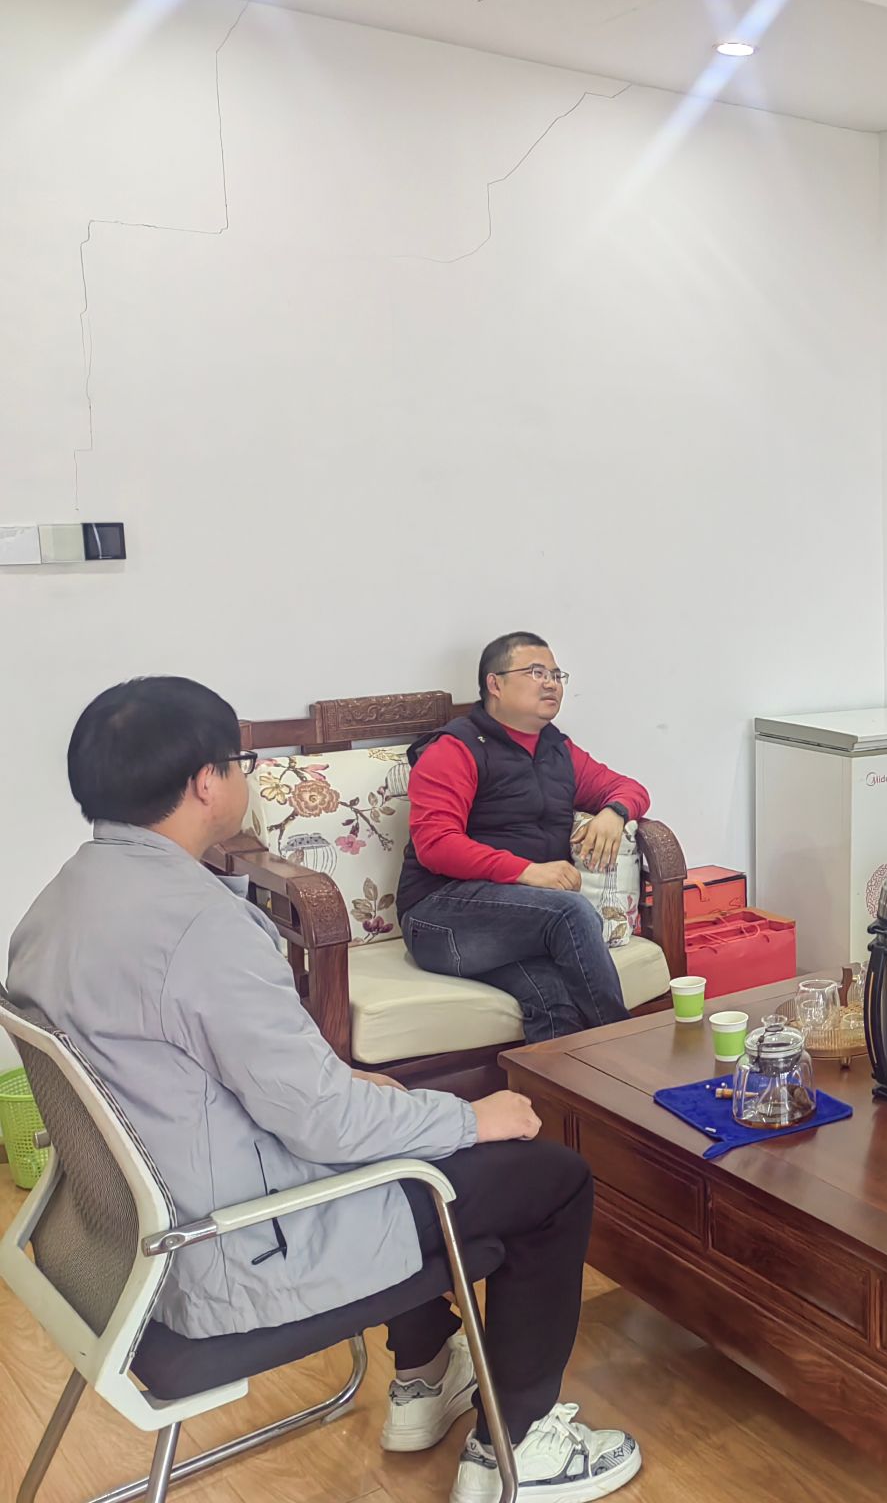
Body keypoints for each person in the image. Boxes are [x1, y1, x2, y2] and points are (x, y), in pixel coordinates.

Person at [7, 678, 643, 1503]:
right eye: (239, 761)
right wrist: (468, 1117)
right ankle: (519, 1447)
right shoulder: (200, 927)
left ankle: (424, 1375)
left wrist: (350, 1090)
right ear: (205, 783)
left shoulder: (55, 905)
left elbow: (204, 1067)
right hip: (228, 1251)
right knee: (549, 1179)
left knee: (390, 1118)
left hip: (114, 1241)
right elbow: (326, 1127)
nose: (244, 776)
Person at [397, 632, 651, 1041]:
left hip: (518, 920)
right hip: (439, 919)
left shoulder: (557, 750)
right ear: (495, 684)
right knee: (570, 911)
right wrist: (526, 871)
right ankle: (624, 1049)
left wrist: (614, 813)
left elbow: (629, 788)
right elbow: (436, 845)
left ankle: (562, 1084)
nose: (551, 683)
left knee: (554, 999)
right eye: (536, 673)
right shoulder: (455, 749)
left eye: (556, 674)